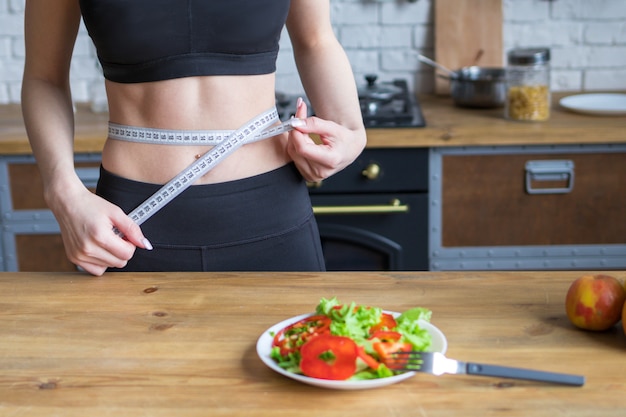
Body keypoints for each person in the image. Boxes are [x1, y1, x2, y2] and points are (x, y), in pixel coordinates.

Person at [21, 0, 366, 276]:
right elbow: (44, 77)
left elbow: (316, 39)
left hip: (271, 212)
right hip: (132, 224)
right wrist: (62, 191)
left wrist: (352, 130)